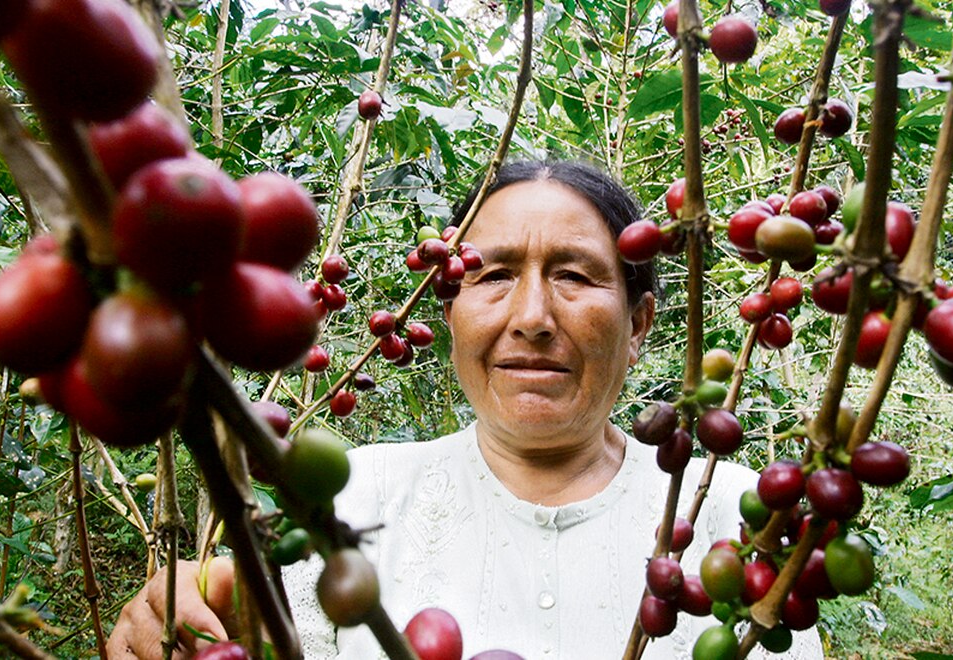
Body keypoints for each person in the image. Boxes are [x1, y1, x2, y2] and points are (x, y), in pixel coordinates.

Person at [107, 161, 823, 659]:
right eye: (495, 275)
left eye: (574, 276)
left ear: (638, 326)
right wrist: (182, 598)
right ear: (447, 311)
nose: (533, 316)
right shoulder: (353, 496)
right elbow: (241, 610)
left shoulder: (733, 513)